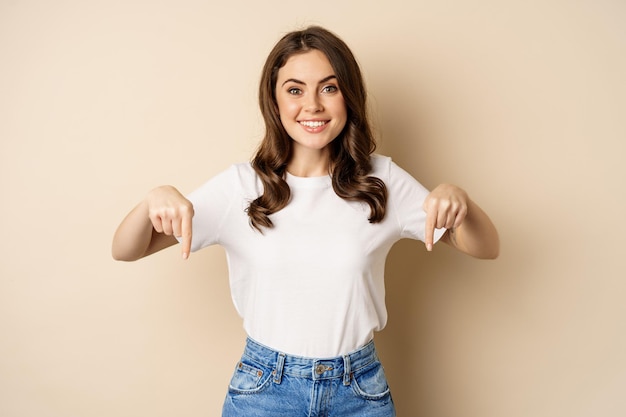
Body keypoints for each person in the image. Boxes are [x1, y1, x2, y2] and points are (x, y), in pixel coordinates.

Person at [112, 26, 499, 417]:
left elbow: (486, 247)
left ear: (349, 96)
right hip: (265, 391)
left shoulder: (381, 182)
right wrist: (153, 199)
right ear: (274, 100)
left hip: (359, 391)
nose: (312, 105)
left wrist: (459, 199)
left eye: (329, 88)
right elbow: (126, 249)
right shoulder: (241, 186)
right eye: (295, 90)